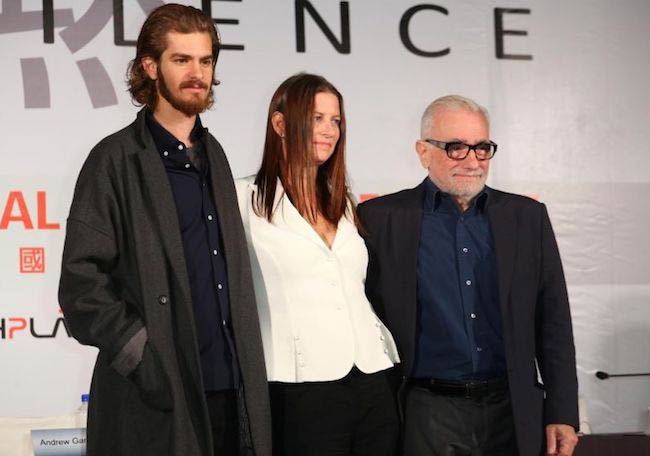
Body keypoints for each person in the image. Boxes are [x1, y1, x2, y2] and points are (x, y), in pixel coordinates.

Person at [58, 4, 271, 455]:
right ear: (151, 67)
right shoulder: (113, 160)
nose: (197, 74)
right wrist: (143, 358)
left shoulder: (215, 154)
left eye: (205, 61)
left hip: (232, 394)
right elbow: (81, 286)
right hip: (157, 398)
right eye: (182, 60)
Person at [358, 95, 579, 456]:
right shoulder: (380, 218)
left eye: (482, 148)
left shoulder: (526, 217)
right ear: (423, 151)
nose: (472, 161)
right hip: (425, 411)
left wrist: (562, 411)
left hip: (512, 407)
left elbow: (553, 322)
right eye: (456, 147)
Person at [235, 73, 400, 456]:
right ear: (280, 124)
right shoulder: (242, 199)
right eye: (316, 118)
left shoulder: (343, 201)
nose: (328, 130)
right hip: (297, 386)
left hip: (373, 377)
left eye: (335, 120)